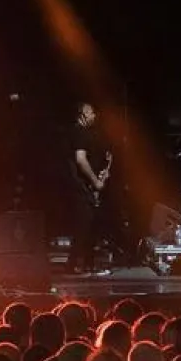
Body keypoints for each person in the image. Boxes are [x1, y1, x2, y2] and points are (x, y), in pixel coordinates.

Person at [69, 102, 113, 276]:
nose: (95, 116)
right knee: (84, 224)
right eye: (92, 113)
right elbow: (81, 159)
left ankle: (88, 264)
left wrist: (103, 171)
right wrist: (95, 182)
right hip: (82, 185)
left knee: (91, 224)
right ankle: (75, 263)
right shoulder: (79, 133)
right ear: (84, 114)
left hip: (89, 184)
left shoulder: (88, 133)